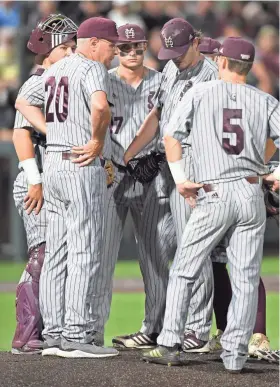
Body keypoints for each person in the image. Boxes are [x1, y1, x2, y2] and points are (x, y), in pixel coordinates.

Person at [142, 37, 279, 373]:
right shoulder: (266, 100)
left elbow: (171, 135)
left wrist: (179, 178)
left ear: (221, 62)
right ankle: (235, 355)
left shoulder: (200, 93)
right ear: (248, 66)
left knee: (185, 268)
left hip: (213, 191)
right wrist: (275, 171)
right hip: (250, 193)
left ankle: (171, 341)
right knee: (246, 277)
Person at [15, 16, 122, 358]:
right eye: (111, 44)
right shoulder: (90, 67)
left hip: (54, 167)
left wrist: (50, 131)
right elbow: (101, 106)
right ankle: (76, 335)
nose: (114, 52)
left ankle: (55, 334)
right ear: (92, 43)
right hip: (79, 164)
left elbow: (21, 101)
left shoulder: (53, 70)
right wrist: (96, 140)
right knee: (84, 249)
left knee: (58, 254)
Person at [120, 18, 225, 352]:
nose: (175, 57)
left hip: (193, 164)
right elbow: (158, 114)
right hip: (164, 165)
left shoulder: (211, 76)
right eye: (170, 51)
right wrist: (131, 152)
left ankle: (197, 328)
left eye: (180, 50)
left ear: (196, 41)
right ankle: (157, 323)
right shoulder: (169, 69)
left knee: (192, 247)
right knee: (151, 243)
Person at [91, 23, 162, 348]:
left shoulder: (160, 81)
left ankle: (156, 328)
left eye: (138, 47)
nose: (132, 53)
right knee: (101, 254)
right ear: (115, 50)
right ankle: (91, 332)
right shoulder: (102, 81)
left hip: (149, 174)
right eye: (125, 48)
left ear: (145, 47)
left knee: (154, 254)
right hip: (112, 172)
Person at [11, 14, 77, 355]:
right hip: (35, 178)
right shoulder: (38, 81)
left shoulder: (62, 80)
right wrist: (35, 181)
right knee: (42, 254)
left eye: (72, 47)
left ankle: (57, 328)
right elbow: (20, 134)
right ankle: (26, 332)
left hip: (53, 178)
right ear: (46, 51)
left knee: (58, 256)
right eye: (64, 47)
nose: (70, 53)